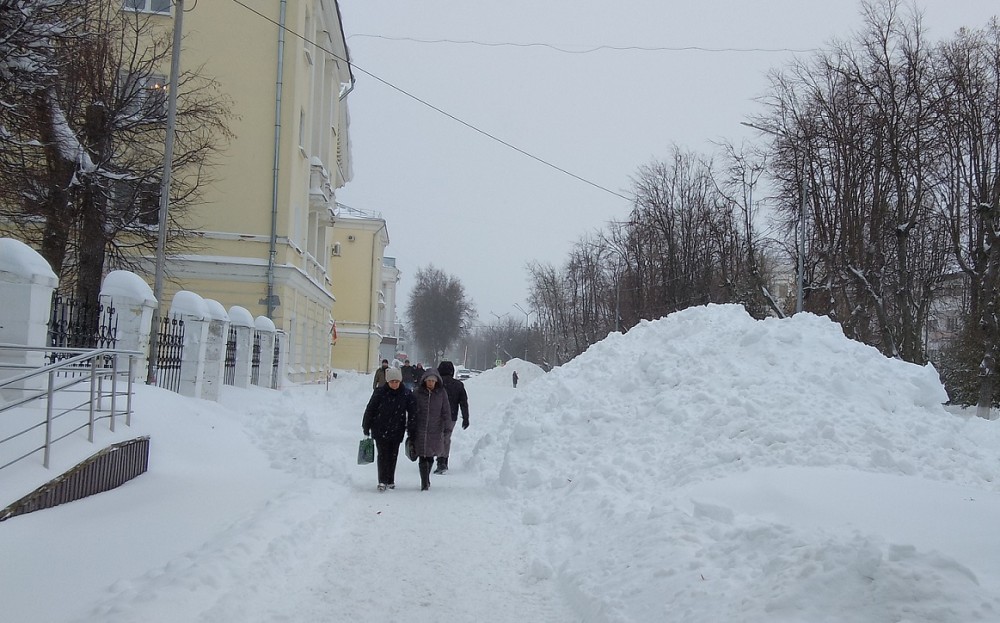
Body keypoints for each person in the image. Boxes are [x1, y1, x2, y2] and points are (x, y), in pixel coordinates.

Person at [361, 367, 414, 492]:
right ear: (388, 381)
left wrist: (411, 428)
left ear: (400, 381)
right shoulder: (380, 392)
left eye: (397, 381)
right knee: (383, 455)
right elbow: (370, 409)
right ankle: (382, 480)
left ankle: (390, 480)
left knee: (393, 455)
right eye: (392, 382)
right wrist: (366, 426)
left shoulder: (406, 393)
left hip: (397, 429)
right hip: (380, 429)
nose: (394, 384)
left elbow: (412, 412)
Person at [409, 368, 451, 491]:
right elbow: (412, 411)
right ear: (424, 381)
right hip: (420, 428)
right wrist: (411, 425)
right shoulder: (417, 392)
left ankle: (426, 477)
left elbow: (446, 411)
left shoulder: (441, 393)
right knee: (422, 455)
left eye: (433, 381)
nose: (431, 383)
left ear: (437, 381)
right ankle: (424, 482)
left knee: (431, 456)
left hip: (435, 429)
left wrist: (447, 427)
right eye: (429, 381)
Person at [434, 361, 469, 475]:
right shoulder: (458, 385)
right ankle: (445, 460)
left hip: (437, 415)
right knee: (446, 437)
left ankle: (440, 461)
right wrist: (465, 417)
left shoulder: (436, 383)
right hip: (451, 416)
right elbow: (463, 402)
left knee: (439, 437)